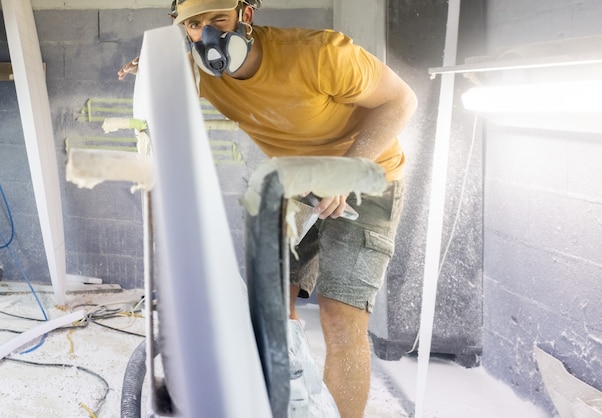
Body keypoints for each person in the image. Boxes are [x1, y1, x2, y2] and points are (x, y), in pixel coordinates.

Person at [119, 1, 417, 417]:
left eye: (218, 20)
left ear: (245, 16)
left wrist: (346, 171)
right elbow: (167, 88)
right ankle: (294, 395)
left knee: (340, 317)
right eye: (194, 25)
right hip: (295, 185)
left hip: (367, 177)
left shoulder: (321, 53)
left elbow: (401, 101)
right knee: (272, 304)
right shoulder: (199, 73)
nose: (208, 36)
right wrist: (151, 70)